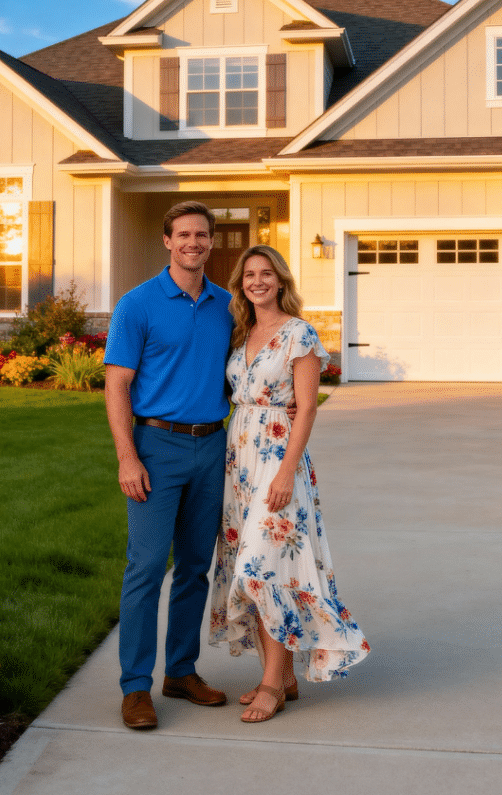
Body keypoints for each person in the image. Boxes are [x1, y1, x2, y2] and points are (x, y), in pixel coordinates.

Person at [209, 245, 370, 723]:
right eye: (249, 274)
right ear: (241, 283)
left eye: (266, 273)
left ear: (281, 281)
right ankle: (283, 677)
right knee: (252, 568)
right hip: (239, 461)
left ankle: (271, 686)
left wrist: (285, 471)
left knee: (264, 570)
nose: (257, 281)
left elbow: (309, 407)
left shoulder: (299, 333)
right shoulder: (241, 333)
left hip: (278, 461)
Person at [104, 201, 235, 730]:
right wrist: (127, 457)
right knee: (146, 567)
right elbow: (117, 384)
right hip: (156, 447)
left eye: (201, 235)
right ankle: (135, 686)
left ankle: (180, 671)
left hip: (213, 446)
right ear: (167, 241)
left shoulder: (227, 305)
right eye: (183, 235)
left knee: (195, 567)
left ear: (211, 241)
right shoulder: (137, 304)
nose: (193, 243)